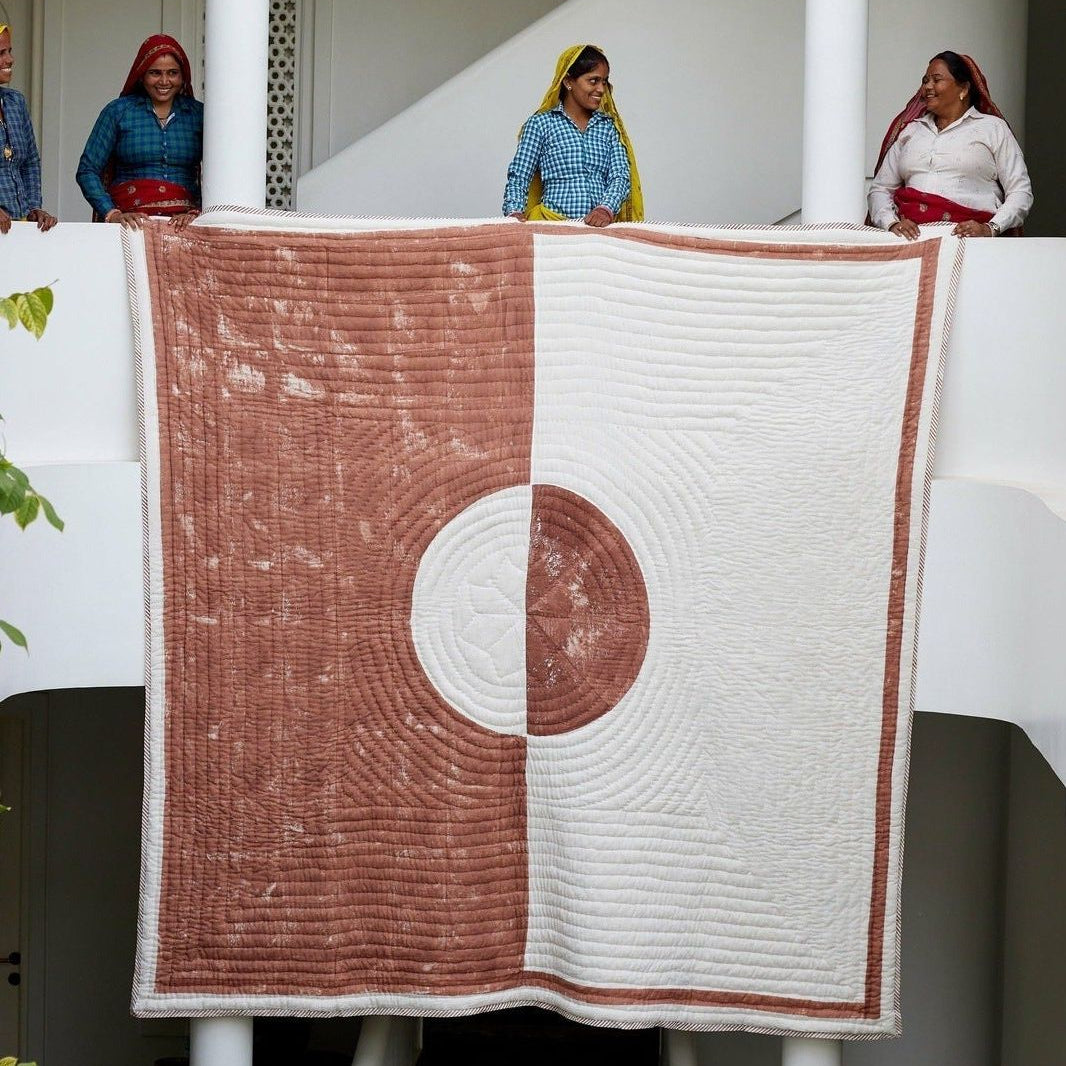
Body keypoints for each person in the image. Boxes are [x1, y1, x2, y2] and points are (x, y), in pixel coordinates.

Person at [868, 51, 1032, 239]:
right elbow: (880, 189)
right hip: (911, 243)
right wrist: (892, 223)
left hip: (972, 243)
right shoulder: (911, 131)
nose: (927, 87)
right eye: (925, 81)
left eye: (936, 80)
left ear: (964, 88)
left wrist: (990, 228)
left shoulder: (992, 128)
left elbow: (1020, 192)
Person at [503, 43, 642, 225]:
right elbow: (519, 176)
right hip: (550, 224)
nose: (601, 89)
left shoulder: (608, 127)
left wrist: (605, 209)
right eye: (593, 81)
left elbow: (620, 176)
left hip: (598, 228)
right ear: (568, 82)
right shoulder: (541, 124)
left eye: (604, 81)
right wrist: (514, 215)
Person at [76, 34, 203, 230]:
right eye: (155, 73)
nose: (164, 81)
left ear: (183, 76)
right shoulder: (118, 111)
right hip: (129, 225)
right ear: (142, 75)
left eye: (173, 73)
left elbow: (221, 171)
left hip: (185, 227)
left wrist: (198, 213)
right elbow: (87, 170)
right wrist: (112, 213)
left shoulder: (199, 115)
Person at [0, 23, 56, 233]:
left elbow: (30, 162)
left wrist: (34, 208)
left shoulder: (15, 102)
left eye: (10, 51)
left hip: (19, 227)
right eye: (1, 53)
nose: (10, 59)